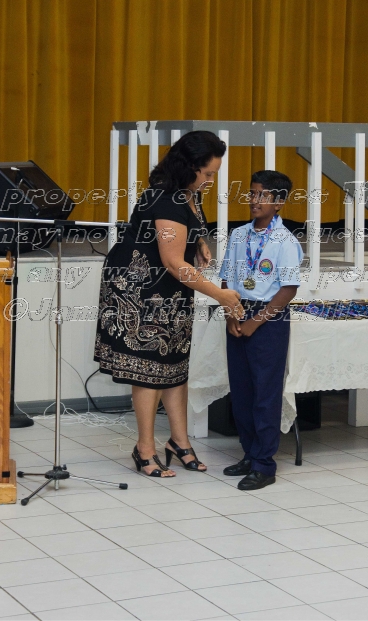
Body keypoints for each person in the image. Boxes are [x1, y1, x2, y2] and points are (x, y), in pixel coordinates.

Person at [95, 131, 243, 477]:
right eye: (207, 174)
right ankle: (145, 448)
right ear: (188, 167)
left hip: (171, 290)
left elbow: (190, 227)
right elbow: (174, 262)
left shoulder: (188, 192)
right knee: (149, 368)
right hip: (141, 289)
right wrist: (220, 295)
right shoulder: (165, 199)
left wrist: (199, 242)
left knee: (175, 363)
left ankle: (179, 442)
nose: (210, 181)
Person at [220, 170, 303, 490]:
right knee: (242, 392)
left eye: (262, 195)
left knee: (265, 394)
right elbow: (226, 277)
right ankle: (249, 453)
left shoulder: (285, 241)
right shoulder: (238, 235)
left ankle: (264, 464)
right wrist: (231, 315)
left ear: (279, 202)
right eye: (252, 194)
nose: (254, 200)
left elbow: (288, 289)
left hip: (268, 319)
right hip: (238, 311)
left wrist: (255, 321)